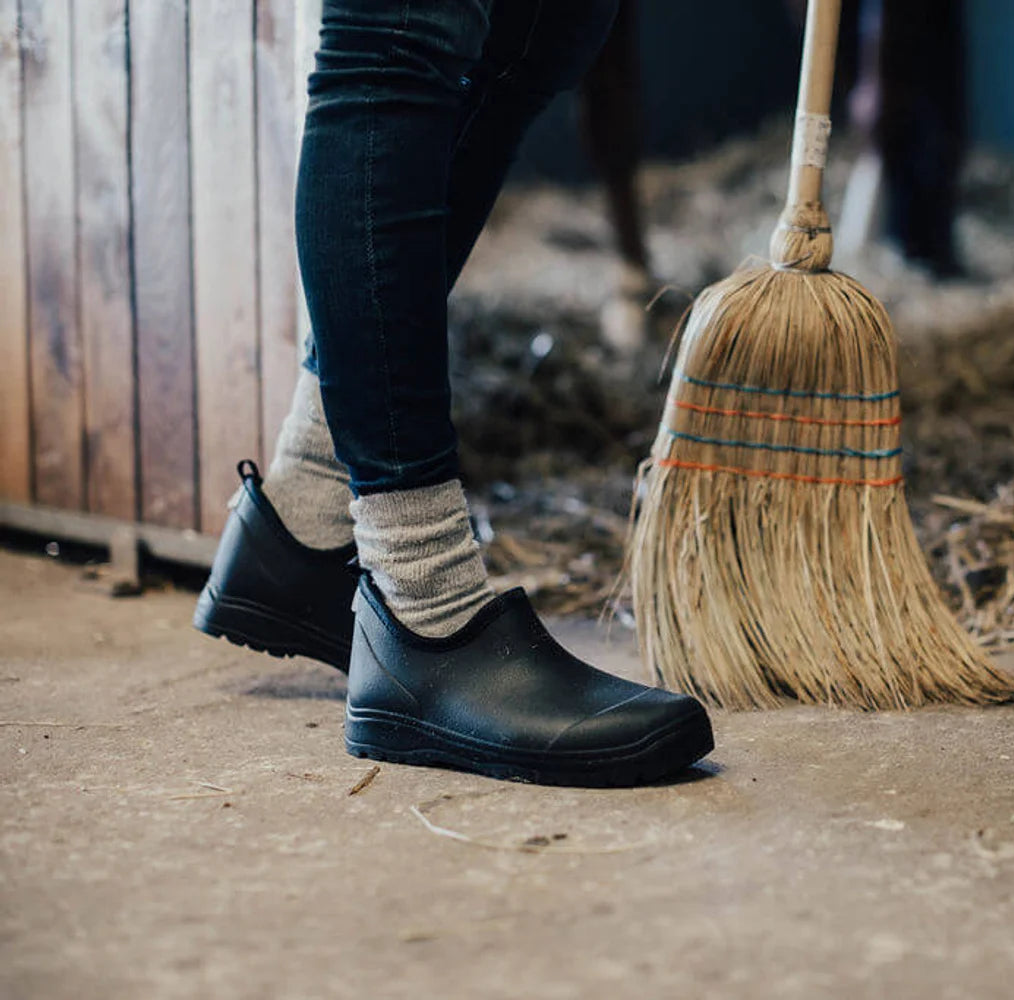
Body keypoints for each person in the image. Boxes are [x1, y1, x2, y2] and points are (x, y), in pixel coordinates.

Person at [192, 0, 714, 788]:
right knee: (398, 30)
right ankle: (423, 607)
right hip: (423, 603)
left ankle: (311, 506)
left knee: (549, 30)